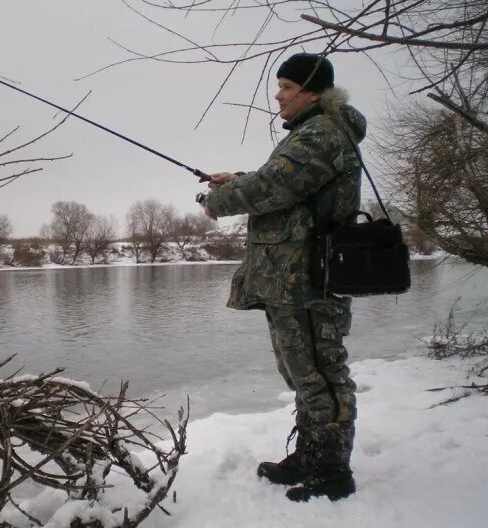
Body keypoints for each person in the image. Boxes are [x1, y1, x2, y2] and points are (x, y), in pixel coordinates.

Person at [200, 52, 366, 502]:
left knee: (320, 373)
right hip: (290, 277)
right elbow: (285, 184)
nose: (278, 96)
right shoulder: (314, 133)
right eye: (280, 87)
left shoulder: (323, 133)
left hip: (307, 279)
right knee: (302, 372)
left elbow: (274, 185)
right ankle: (312, 455)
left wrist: (219, 199)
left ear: (312, 91)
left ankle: (331, 468)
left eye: (287, 88)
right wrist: (237, 178)